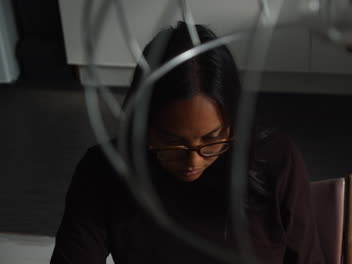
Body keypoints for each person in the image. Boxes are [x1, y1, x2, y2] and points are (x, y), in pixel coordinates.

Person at [50, 21, 324, 264]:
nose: (193, 161)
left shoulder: (275, 159)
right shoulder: (104, 170)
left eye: (212, 139)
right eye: (172, 141)